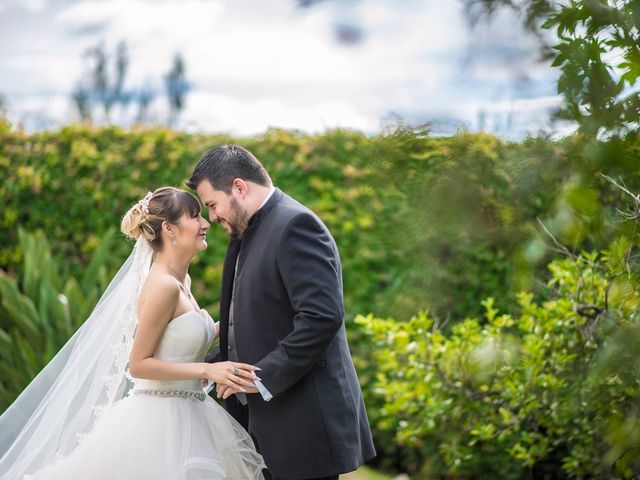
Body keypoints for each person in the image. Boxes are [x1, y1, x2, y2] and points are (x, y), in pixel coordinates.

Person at [0, 186, 266, 479]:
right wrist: (209, 370)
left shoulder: (181, 280)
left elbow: (180, 341)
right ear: (169, 228)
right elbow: (139, 364)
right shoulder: (162, 285)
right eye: (195, 216)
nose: (205, 224)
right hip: (161, 424)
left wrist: (240, 318)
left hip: (192, 412)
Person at [187, 145, 376, 480]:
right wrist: (216, 363)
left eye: (213, 204)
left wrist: (255, 378)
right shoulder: (245, 232)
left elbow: (321, 318)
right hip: (268, 427)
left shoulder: (296, 225)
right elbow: (257, 319)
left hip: (304, 428)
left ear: (239, 188)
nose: (212, 217)